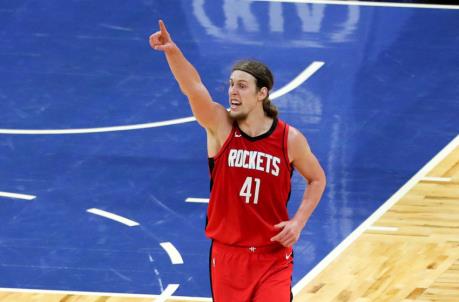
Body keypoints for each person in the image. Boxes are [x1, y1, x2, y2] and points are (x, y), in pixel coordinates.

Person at [150, 20, 326, 302]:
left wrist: (298, 222)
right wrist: (172, 52)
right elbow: (193, 87)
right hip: (228, 255)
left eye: (242, 86)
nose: (233, 91)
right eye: (231, 84)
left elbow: (317, 178)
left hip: (273, 256)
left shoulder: (289, 139)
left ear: (262, 93)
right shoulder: (220, 126)